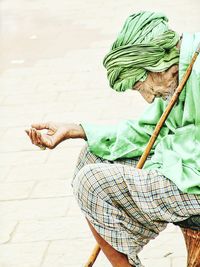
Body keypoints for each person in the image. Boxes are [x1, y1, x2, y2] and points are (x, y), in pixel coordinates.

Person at [25, 11, 200, 267]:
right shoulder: (177, 73)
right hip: (187, 169)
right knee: (92, 157)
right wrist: (78, 130)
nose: (149, 99)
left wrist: (166, 161)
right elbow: (148, 130)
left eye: (141, 87)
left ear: (158, 66)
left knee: (92, 182)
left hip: (195, 182)